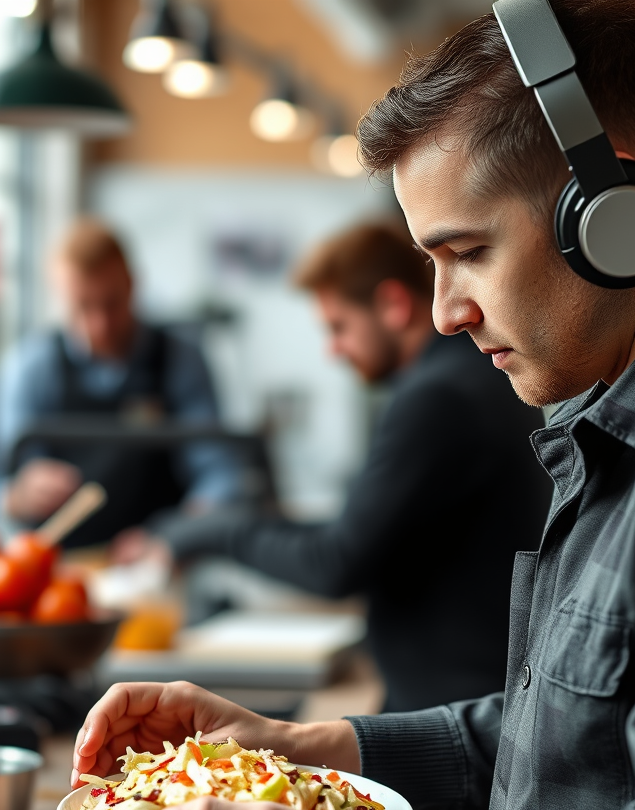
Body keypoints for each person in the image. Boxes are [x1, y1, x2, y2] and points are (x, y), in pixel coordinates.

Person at [70, 2, 635, 810]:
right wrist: (309, 751)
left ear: (615, 202)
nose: (444, 310)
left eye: (466, 251)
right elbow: (577, 744)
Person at [117, 222, 549, 714]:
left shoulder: (437, 400)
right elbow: (357, 531)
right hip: (464, 694)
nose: (333, 349)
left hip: (454, 707)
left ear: (392, 305)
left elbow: (334, 562)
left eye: (339, 327)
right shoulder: (470, 380)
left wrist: (204, 532)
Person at [0, 218, 242, 546]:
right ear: (59, 297)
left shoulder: (181, 360)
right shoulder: (30, 368)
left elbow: (217, 472)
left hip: (159, 561)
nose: (99, 324)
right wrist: (17, 497)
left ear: (134, 284)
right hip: (59, 566)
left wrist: (178, 537)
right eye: (82, 307)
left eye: (112, 303)